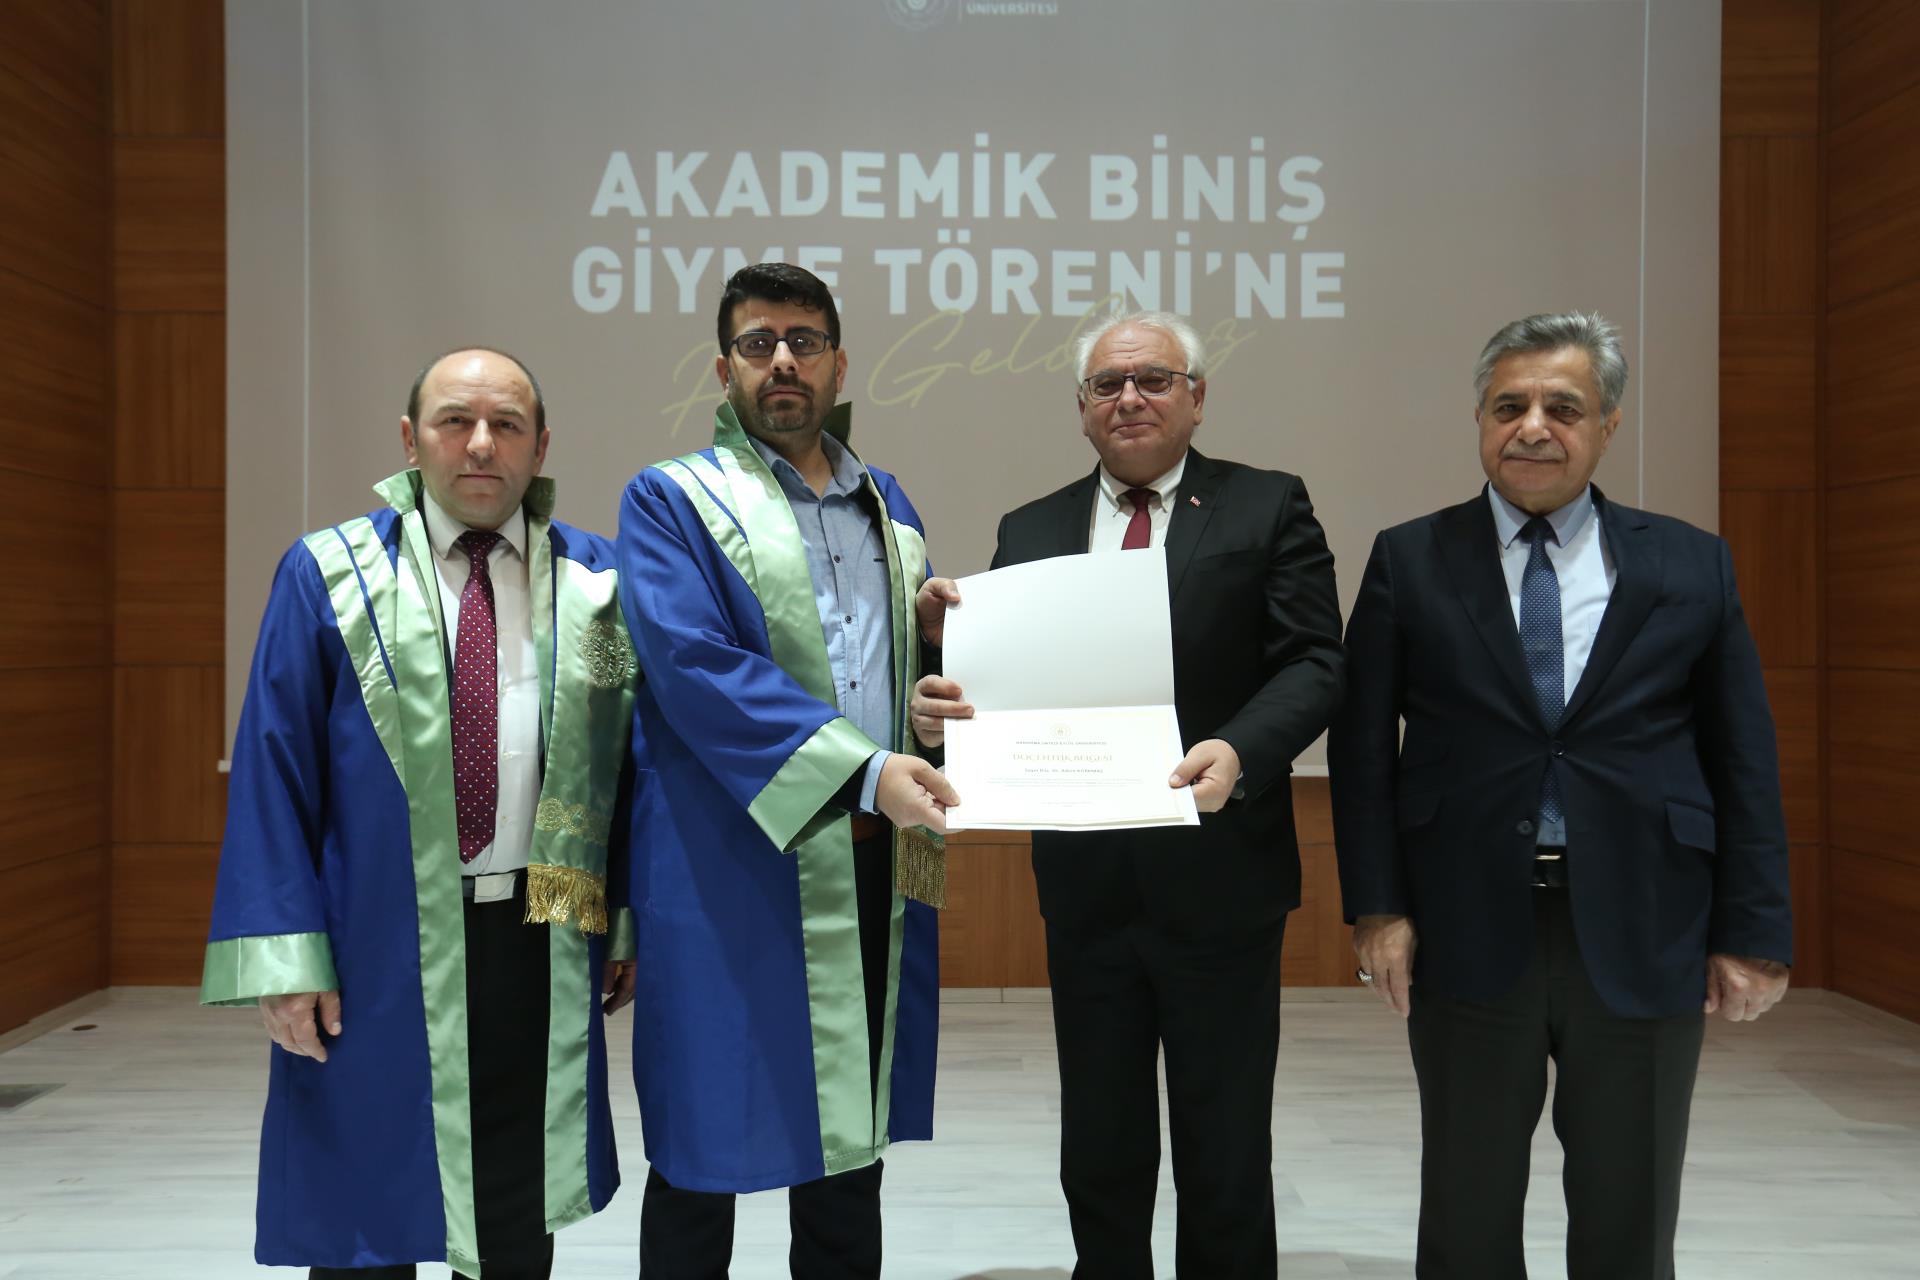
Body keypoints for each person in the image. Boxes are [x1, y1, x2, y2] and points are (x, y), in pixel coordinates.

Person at [1329, 311, 1793, 1279]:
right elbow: (1363, 750)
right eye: (1509, 406)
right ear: (1479, 419)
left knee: (1632, 1210)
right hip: (1464, 922)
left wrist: (1753, 928)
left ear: (1608, 425)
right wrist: (1378, 907)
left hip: (1648, 920)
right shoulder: (1411, 557)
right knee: (1466, 1208)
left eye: (1563, 407)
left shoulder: (1689, 562)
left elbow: (1742, 755)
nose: (1532, 427)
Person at [913, 309, 1345, 1279]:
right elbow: (1010, 687)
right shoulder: (1031, 528)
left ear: (1197, 397)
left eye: (1154, 379)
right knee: (1100, 1140)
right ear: (1082, 408)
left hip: (1223, 876)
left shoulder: (1267, 505)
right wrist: (946, 679)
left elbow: (1316, 662)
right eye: (1108, 384)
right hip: (1088, 883)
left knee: (1225, 1139)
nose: (1130, 398)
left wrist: (1240, 748)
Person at [200, 348, 637, 1279]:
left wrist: (626, 919)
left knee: (517, 1206)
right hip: (372, 940)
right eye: (454, 421)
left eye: (507, 425)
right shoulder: (327, 573)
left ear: (540, 446)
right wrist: (287, 958)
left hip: (540, 938)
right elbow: (275, 769)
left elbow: (630, 773)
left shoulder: (598, 581)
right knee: (366, 1200)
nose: (480, 445)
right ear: (410, 439)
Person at [616, 262, 955, 1279]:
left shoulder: (888, 504)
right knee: (701, 1139)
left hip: (863, 858)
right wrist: (867, 768)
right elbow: (695, 669)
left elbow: (882, 675)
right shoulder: (672, 498)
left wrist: (933, 673)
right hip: (726, 860)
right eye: (758, 343)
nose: (782, 363)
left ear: (839, 364)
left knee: (848, 1144)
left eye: (803, 342)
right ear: (723, 367)